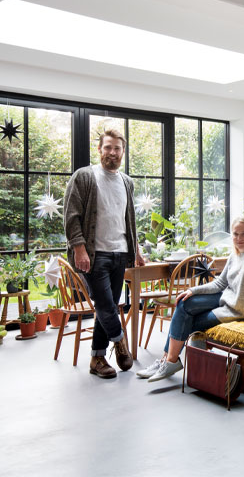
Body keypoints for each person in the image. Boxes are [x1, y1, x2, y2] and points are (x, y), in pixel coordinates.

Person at [137, 216, 244, 382]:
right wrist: (192, 290)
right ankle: (166, 361)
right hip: (226, 299)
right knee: (184, 302)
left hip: (240, 310)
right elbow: (219, 284)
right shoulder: (235, 256)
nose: (239, 238)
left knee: (186, 322)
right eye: (235, 234)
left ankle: (169, 361)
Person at [64, 129, 145, 379]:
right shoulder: (85, 177)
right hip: (94, 254)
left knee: (106, 306)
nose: (112, 152)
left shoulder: (126, 182)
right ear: (99, 149)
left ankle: (97, 359)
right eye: (107, 147)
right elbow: (71, 216)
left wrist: (137, 250)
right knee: (106, 304)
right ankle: (120, 343)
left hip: (120, 253)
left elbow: (128, 220)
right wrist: (79, 248)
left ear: (123, 152)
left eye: (117, 148)